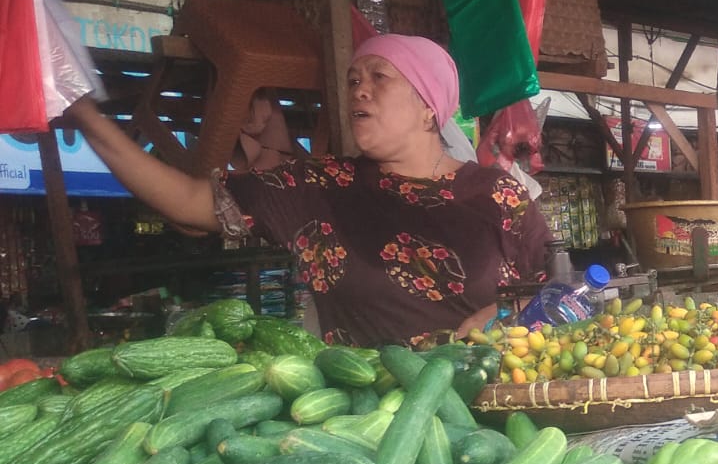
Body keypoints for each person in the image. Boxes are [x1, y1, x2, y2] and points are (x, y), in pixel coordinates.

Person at [67, 33, 551, 347]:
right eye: (353, 80)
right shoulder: (320, 186)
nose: (359, 90)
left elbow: (565, 288)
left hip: (495, 411)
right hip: (367, 424)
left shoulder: (498, 195)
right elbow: (191, 205)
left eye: (379, 79)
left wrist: (507, 309)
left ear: (429, 109)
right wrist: (86, 115)